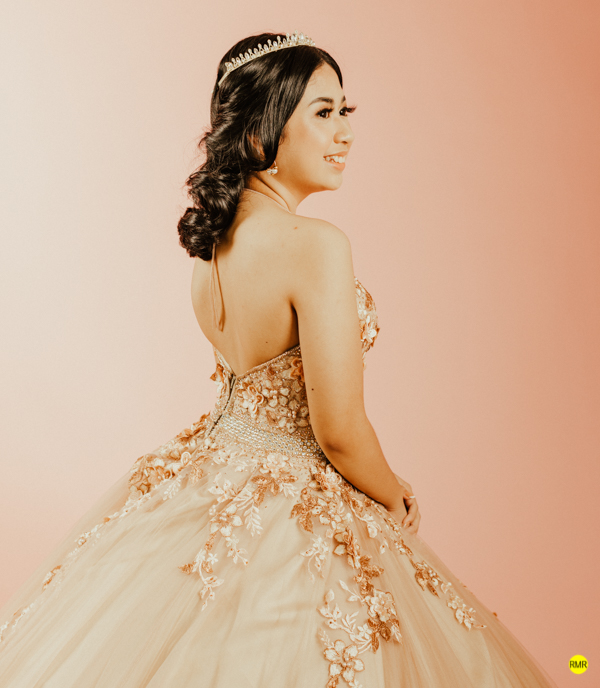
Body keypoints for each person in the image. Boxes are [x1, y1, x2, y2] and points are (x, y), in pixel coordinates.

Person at [0, 30, 558, 688]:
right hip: (292, 501)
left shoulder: (213, 248)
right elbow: (338, 429)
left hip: (206, 475)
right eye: (323, 112)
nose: (345, 132)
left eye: (346, 111)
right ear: (263, 130)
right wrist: (394, 492)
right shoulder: (316, 245)